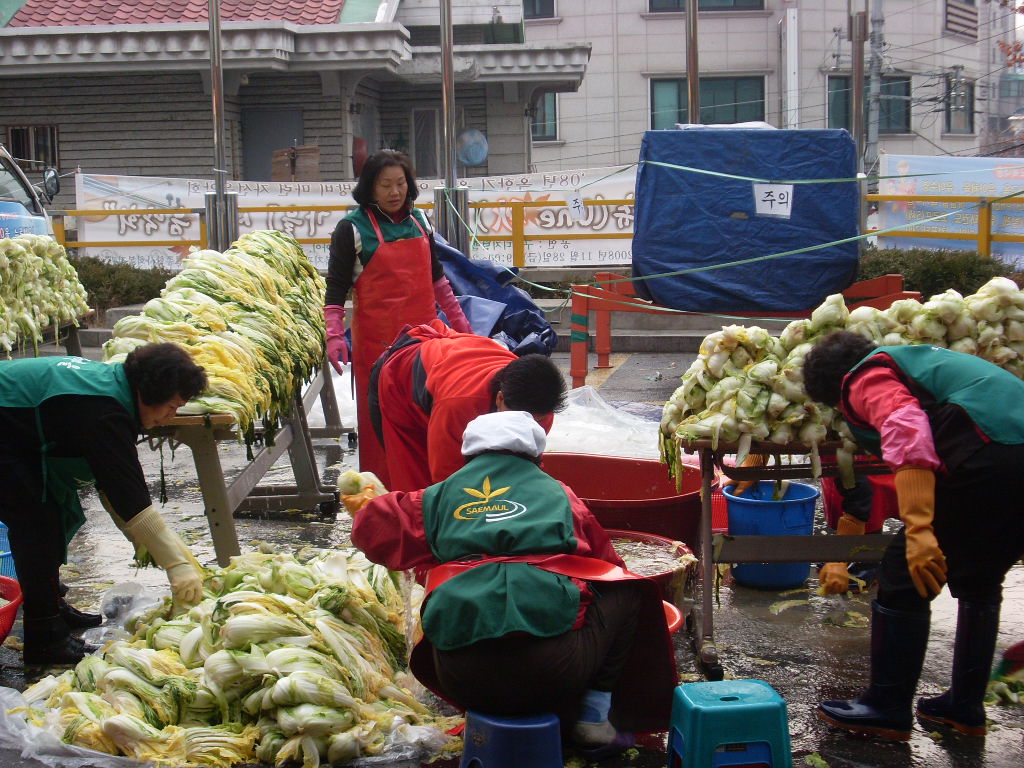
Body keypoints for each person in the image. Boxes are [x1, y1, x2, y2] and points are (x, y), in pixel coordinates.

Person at [348, 410, 677, 758]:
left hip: (459, 675)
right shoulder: (560, 496)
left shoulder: (434, 498)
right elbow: (608, 566)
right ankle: (594, 717)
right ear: (537, 456)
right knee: (627, 589)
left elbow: (370, 527)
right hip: (555, 671)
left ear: (469, 455)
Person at [802, 331, 1024, 739]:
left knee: (903, 574)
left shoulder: (864, 377)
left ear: (836, 387)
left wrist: (920, 527)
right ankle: (965, 707)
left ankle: (886, 707)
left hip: (987, 458)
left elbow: (905, 426)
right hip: (1012, 461)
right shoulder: (917, 361)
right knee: (980, 580)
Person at [0, 343, 208, 665]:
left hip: (14, 426)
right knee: (35, 521)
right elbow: (129, 496)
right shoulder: (105, 410)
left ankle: (51, 604)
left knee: (49, 513)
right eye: (172, 406)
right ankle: (44, 637)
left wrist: (162, 548)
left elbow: (114, 487)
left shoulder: (114, 393)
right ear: (151, 392)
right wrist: (176, 565)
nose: (172, 417)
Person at [323, 149, 471, 486]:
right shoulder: (352, 229)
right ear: (369, 188)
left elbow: (438, 281)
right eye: (385, 185)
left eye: (400, 183)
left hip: (426, 344)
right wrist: (334, 333)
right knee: (381, 428)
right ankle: (386, 499)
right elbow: (336, 287)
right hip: (378, 349)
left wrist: (462, 327)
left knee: (428, 417)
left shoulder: (421, 221)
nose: (394, 192)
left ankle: (429, 494)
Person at [368, 318, 566, 492]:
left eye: (535, 420)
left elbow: (525, 468)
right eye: (516, 417)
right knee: (418, 492)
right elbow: (445, 483)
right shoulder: (459, 405)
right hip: (400, 382)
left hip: (451, 365)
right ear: (499, 399)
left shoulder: (542, 410)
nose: (526, 425)